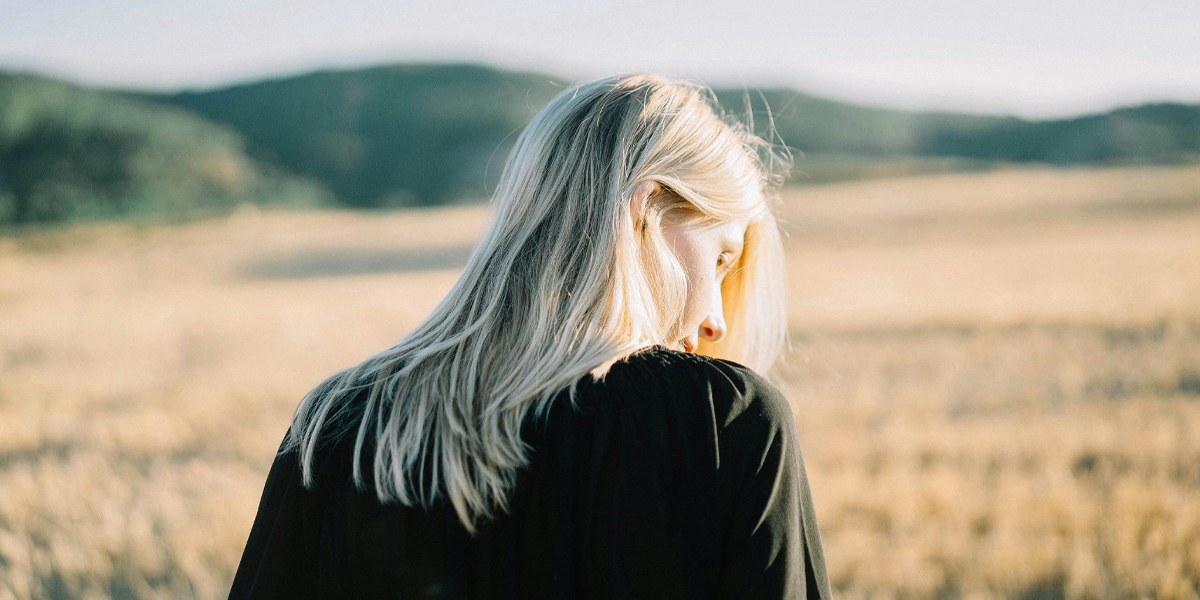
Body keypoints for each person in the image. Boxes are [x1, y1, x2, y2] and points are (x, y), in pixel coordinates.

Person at [227, 73, 832, 600]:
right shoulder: (724, 421)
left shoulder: (340, 425)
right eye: (722, 259)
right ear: (643, 210)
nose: (717, 320)